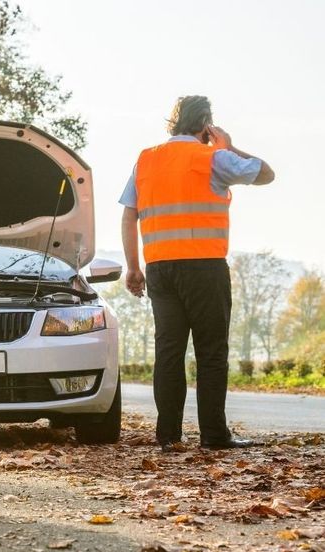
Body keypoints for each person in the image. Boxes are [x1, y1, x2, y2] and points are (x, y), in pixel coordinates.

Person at [119, 95, 275, 451]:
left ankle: (168, 437)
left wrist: (133, 266)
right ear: (206, 123)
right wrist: (230, 145)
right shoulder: (214, 157)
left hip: (159, 268)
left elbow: (130, 214)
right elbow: (266, 173)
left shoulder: (146, 159)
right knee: (210, 352)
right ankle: (214, 436)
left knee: (169, 351)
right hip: (204, 267)